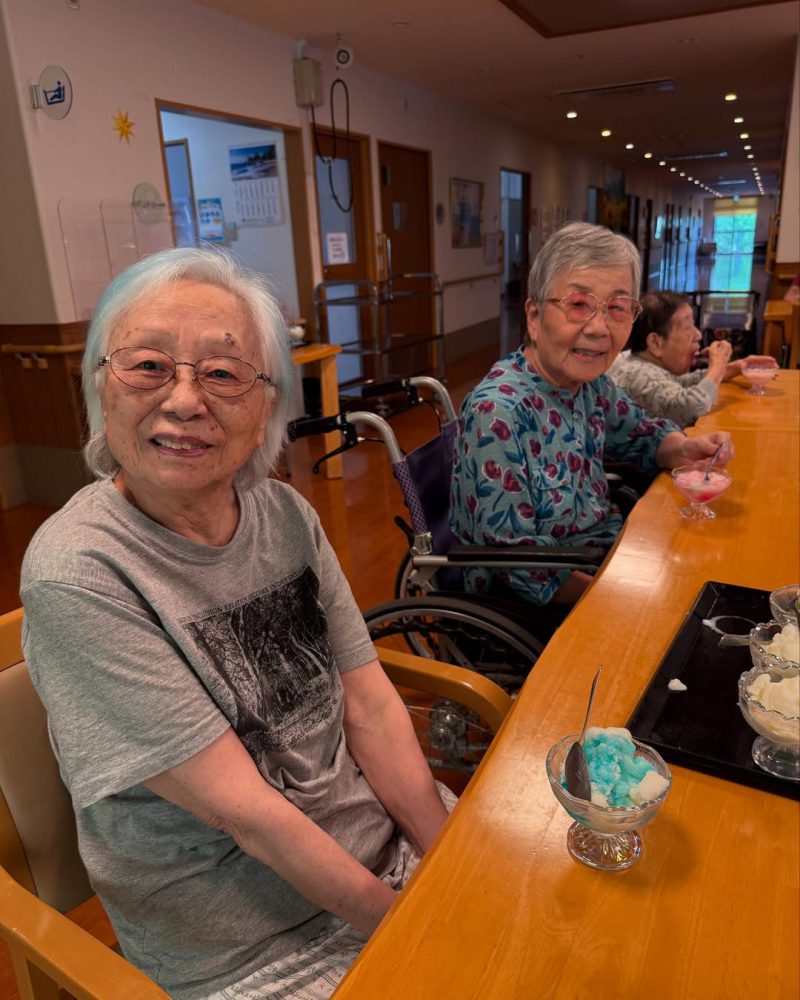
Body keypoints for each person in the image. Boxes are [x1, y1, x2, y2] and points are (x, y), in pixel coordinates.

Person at [20, 247, 450, 1000]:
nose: (185, 401)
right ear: (100, 390)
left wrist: (447, 863)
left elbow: (371, 705)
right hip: (254, 948)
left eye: (222, 373)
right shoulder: (78, 571)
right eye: (148, 366)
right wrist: (416, 926)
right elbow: (247, 815)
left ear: (265, 413)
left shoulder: (285, 516)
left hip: (382, 852)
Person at [450, 223, 733, 610]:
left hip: (608, 553)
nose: (599, 328)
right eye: (578, 304)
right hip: (543, 596)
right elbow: (516, 564)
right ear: (534, 316)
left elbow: (644, 435)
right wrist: (619, 596)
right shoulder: (497, 414)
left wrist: (687, 448)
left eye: (617, 308)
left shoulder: (590, 385)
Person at [609, 291, 778, 425]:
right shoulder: (638, 374)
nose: (698, 335)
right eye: (688, 327)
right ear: (655, 343)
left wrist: (733, 368)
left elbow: (682, 383)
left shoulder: (642, 364)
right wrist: (718, 366)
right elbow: (689, 408)